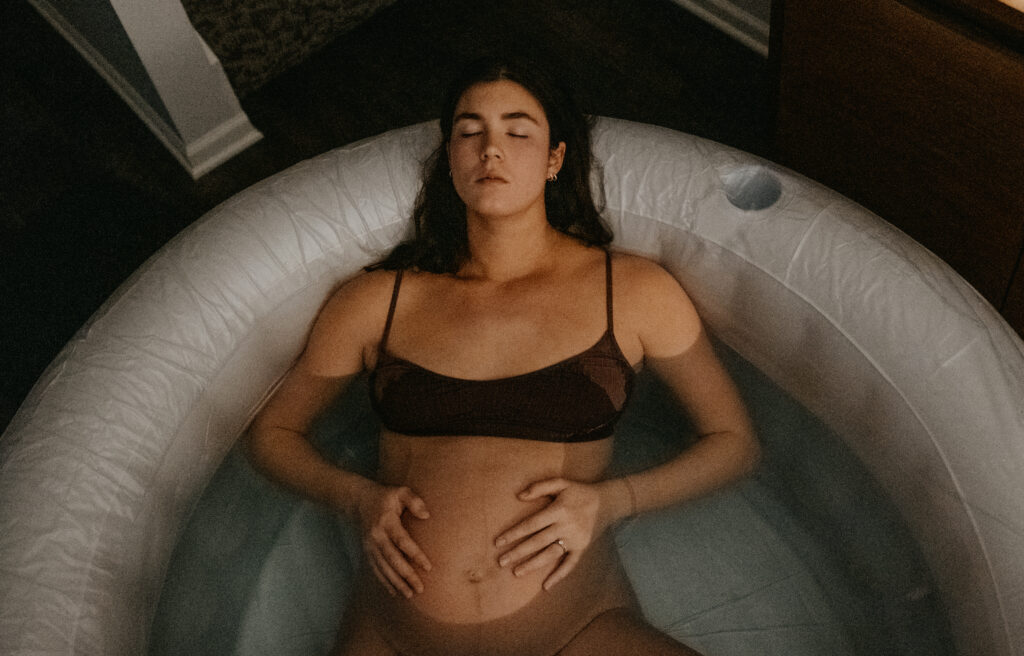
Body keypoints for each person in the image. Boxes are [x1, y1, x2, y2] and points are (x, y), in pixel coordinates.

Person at [246, 57, 760, 656]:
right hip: (393, 635)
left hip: (578, 630)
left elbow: (733, 442)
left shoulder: (633, 292)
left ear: (554, 159)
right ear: (450, 157)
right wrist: (355, 497)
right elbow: (274, 434)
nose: (490, 149)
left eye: (517, 132)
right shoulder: (377, 301)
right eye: (470, 131)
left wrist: (612, 502)